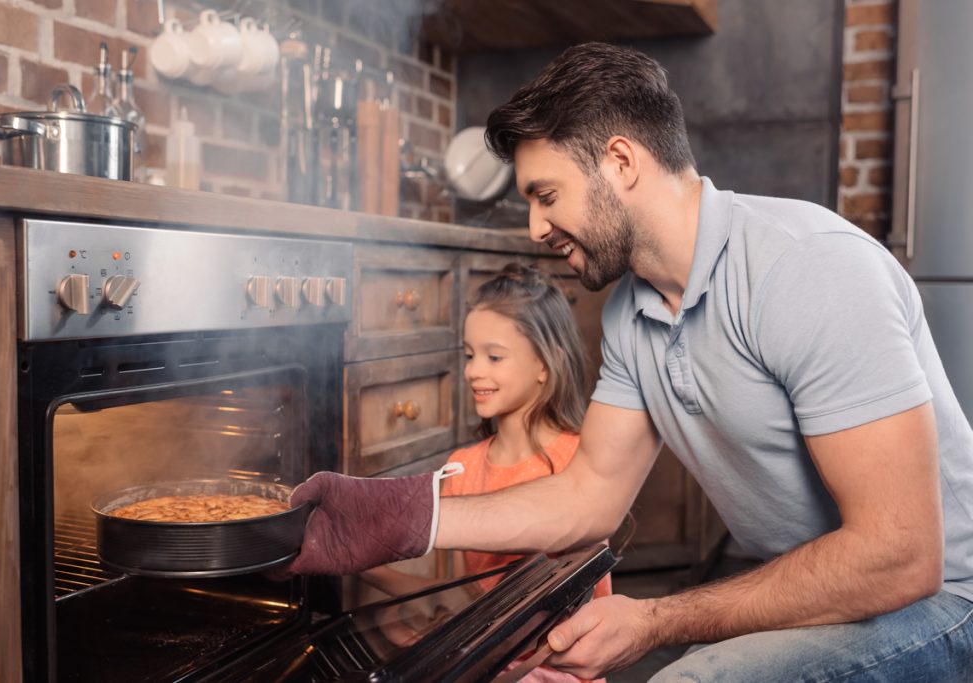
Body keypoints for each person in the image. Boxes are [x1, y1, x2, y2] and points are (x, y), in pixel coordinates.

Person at [280, 42, 973, 681]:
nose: (536, 229)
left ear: (620, 162)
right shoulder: (630, 315)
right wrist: (398, 515)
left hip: (944, 603)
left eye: (546, 196)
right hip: (841, 595)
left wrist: (653, 620)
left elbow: (900, 555)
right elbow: (586, 495)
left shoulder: (807, 268)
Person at [361, 263, 615, 683]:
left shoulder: (579, 464)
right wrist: (367, 566)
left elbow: (569, 627)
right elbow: (466, 603)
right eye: (469, 354)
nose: (473, 370)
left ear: (545, 364)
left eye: (494, 357)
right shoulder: (462, 467)